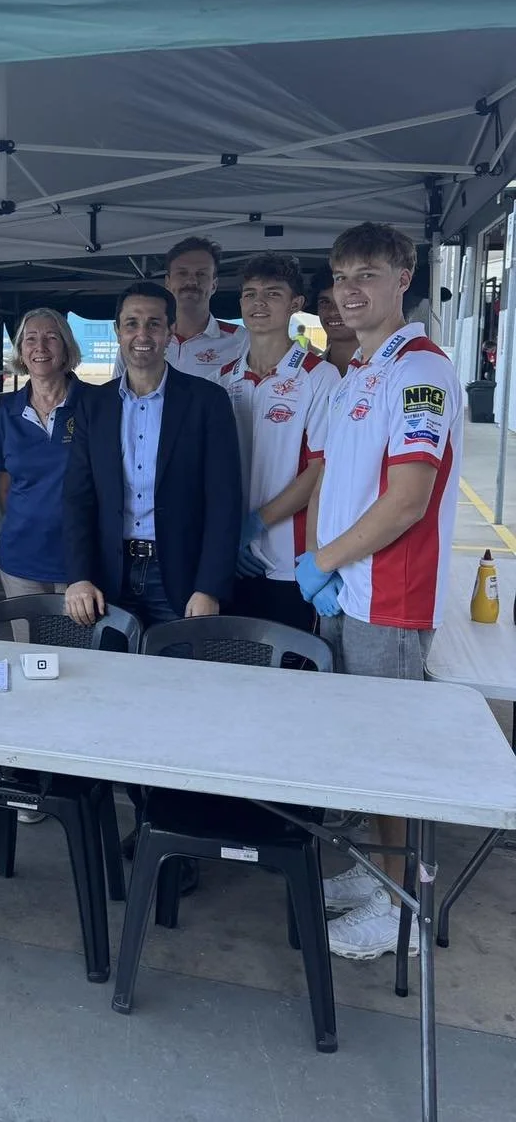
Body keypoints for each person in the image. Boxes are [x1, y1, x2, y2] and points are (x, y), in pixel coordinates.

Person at [296, 223, 463, 960]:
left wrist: (325, 560)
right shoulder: (363, 369)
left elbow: (407, 502)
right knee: (358, 749)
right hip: (347, 589)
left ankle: (405, 915)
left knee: (390, 759)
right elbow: (336, 477)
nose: (350, 289)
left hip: (389, 597)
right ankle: (376, 875)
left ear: (405, 278)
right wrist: (323, 563)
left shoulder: (420, 372)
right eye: (340, 276)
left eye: (368, 273)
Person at [63, 281, 241, 630]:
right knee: (111, 679)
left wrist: (209, 587)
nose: (141, 334)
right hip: (108, 578)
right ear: (117, 331)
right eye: (131, 323)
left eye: (154, 324)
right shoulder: (91, 405)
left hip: (180, 578)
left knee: (178, 680)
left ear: (170, 331)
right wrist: (79, 576)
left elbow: (225, 501)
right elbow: (77, 498)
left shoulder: (207, 401)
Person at [220, 254, 340, 631]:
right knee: (232, 670)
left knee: (289, 674)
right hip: (230, 560)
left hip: (290, 562)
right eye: (250, 294)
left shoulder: (320, 376)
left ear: (295, 304)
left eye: (272, 294)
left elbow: (321, 469)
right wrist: (228, 534)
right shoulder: (221, 378)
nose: (259, 303)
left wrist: (255, 523)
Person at [0, 307, 86, 601]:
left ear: (66, 346)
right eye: (30, 339)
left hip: (81, 560)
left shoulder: (96, 405)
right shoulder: (6, 411)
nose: (40, 347)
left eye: (51, 338)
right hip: (20, 559)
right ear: (20, 350)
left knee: (79, 648)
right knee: (29, 648)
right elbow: (4, 485)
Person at [113, 237, 248, 381]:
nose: (191, 281)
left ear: (214, 285)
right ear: (168, 282)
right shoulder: (141, 342)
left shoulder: (242, 340)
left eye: (201, 274)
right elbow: (116, 396)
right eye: (182, 273)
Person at [309, 265, 357, 377]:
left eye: (344, 301)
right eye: (325, 302)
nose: (332, 312)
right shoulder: (306, 374)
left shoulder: (391, 369)